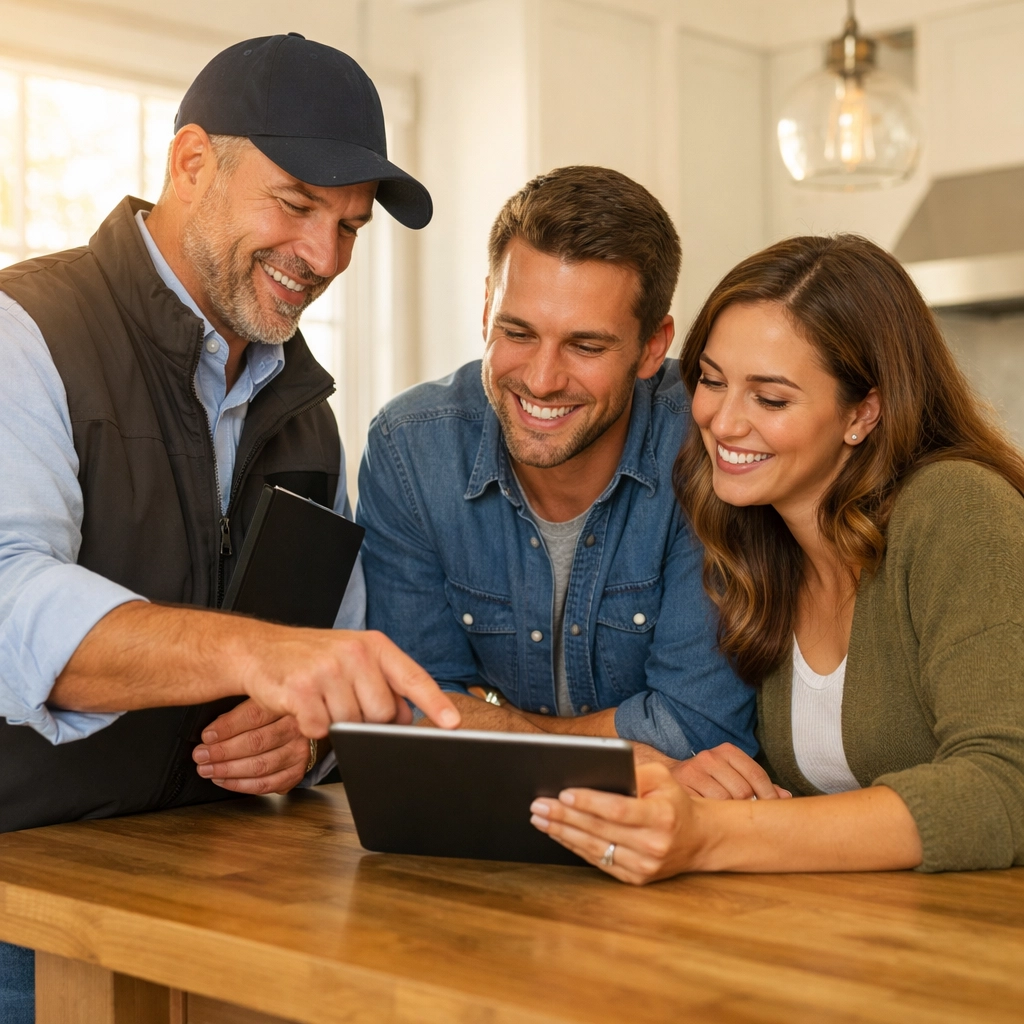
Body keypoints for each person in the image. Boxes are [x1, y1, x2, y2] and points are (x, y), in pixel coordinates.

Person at [0, 34, 459, 1019]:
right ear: (192, 162)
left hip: (222, 907)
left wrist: (305, 738)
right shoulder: (24, 330)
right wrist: (254, 654)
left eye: (349, 227)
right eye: (296, 205)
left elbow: (324, 659)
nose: (325, 256)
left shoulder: (305, 411)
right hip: (21, 913)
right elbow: (10, 603)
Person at [529, 233, 1024, 882]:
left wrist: (714, 834)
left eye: (770, 398)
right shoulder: (754, 539)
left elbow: (1004, 788)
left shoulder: (956, 507)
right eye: (711, 381)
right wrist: (706, 778)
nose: (723, 422)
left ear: (863, 412)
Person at [357, 166, 763, 781]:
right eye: (517, 332)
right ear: (487, 307)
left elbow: (698, 729)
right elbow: (408, 710)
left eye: (586, 347)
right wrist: (627, 750)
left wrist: (488, 717)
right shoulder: (409, 449)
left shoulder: (710, 440)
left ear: (654, 347)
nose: (542, 379)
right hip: (476, 833)